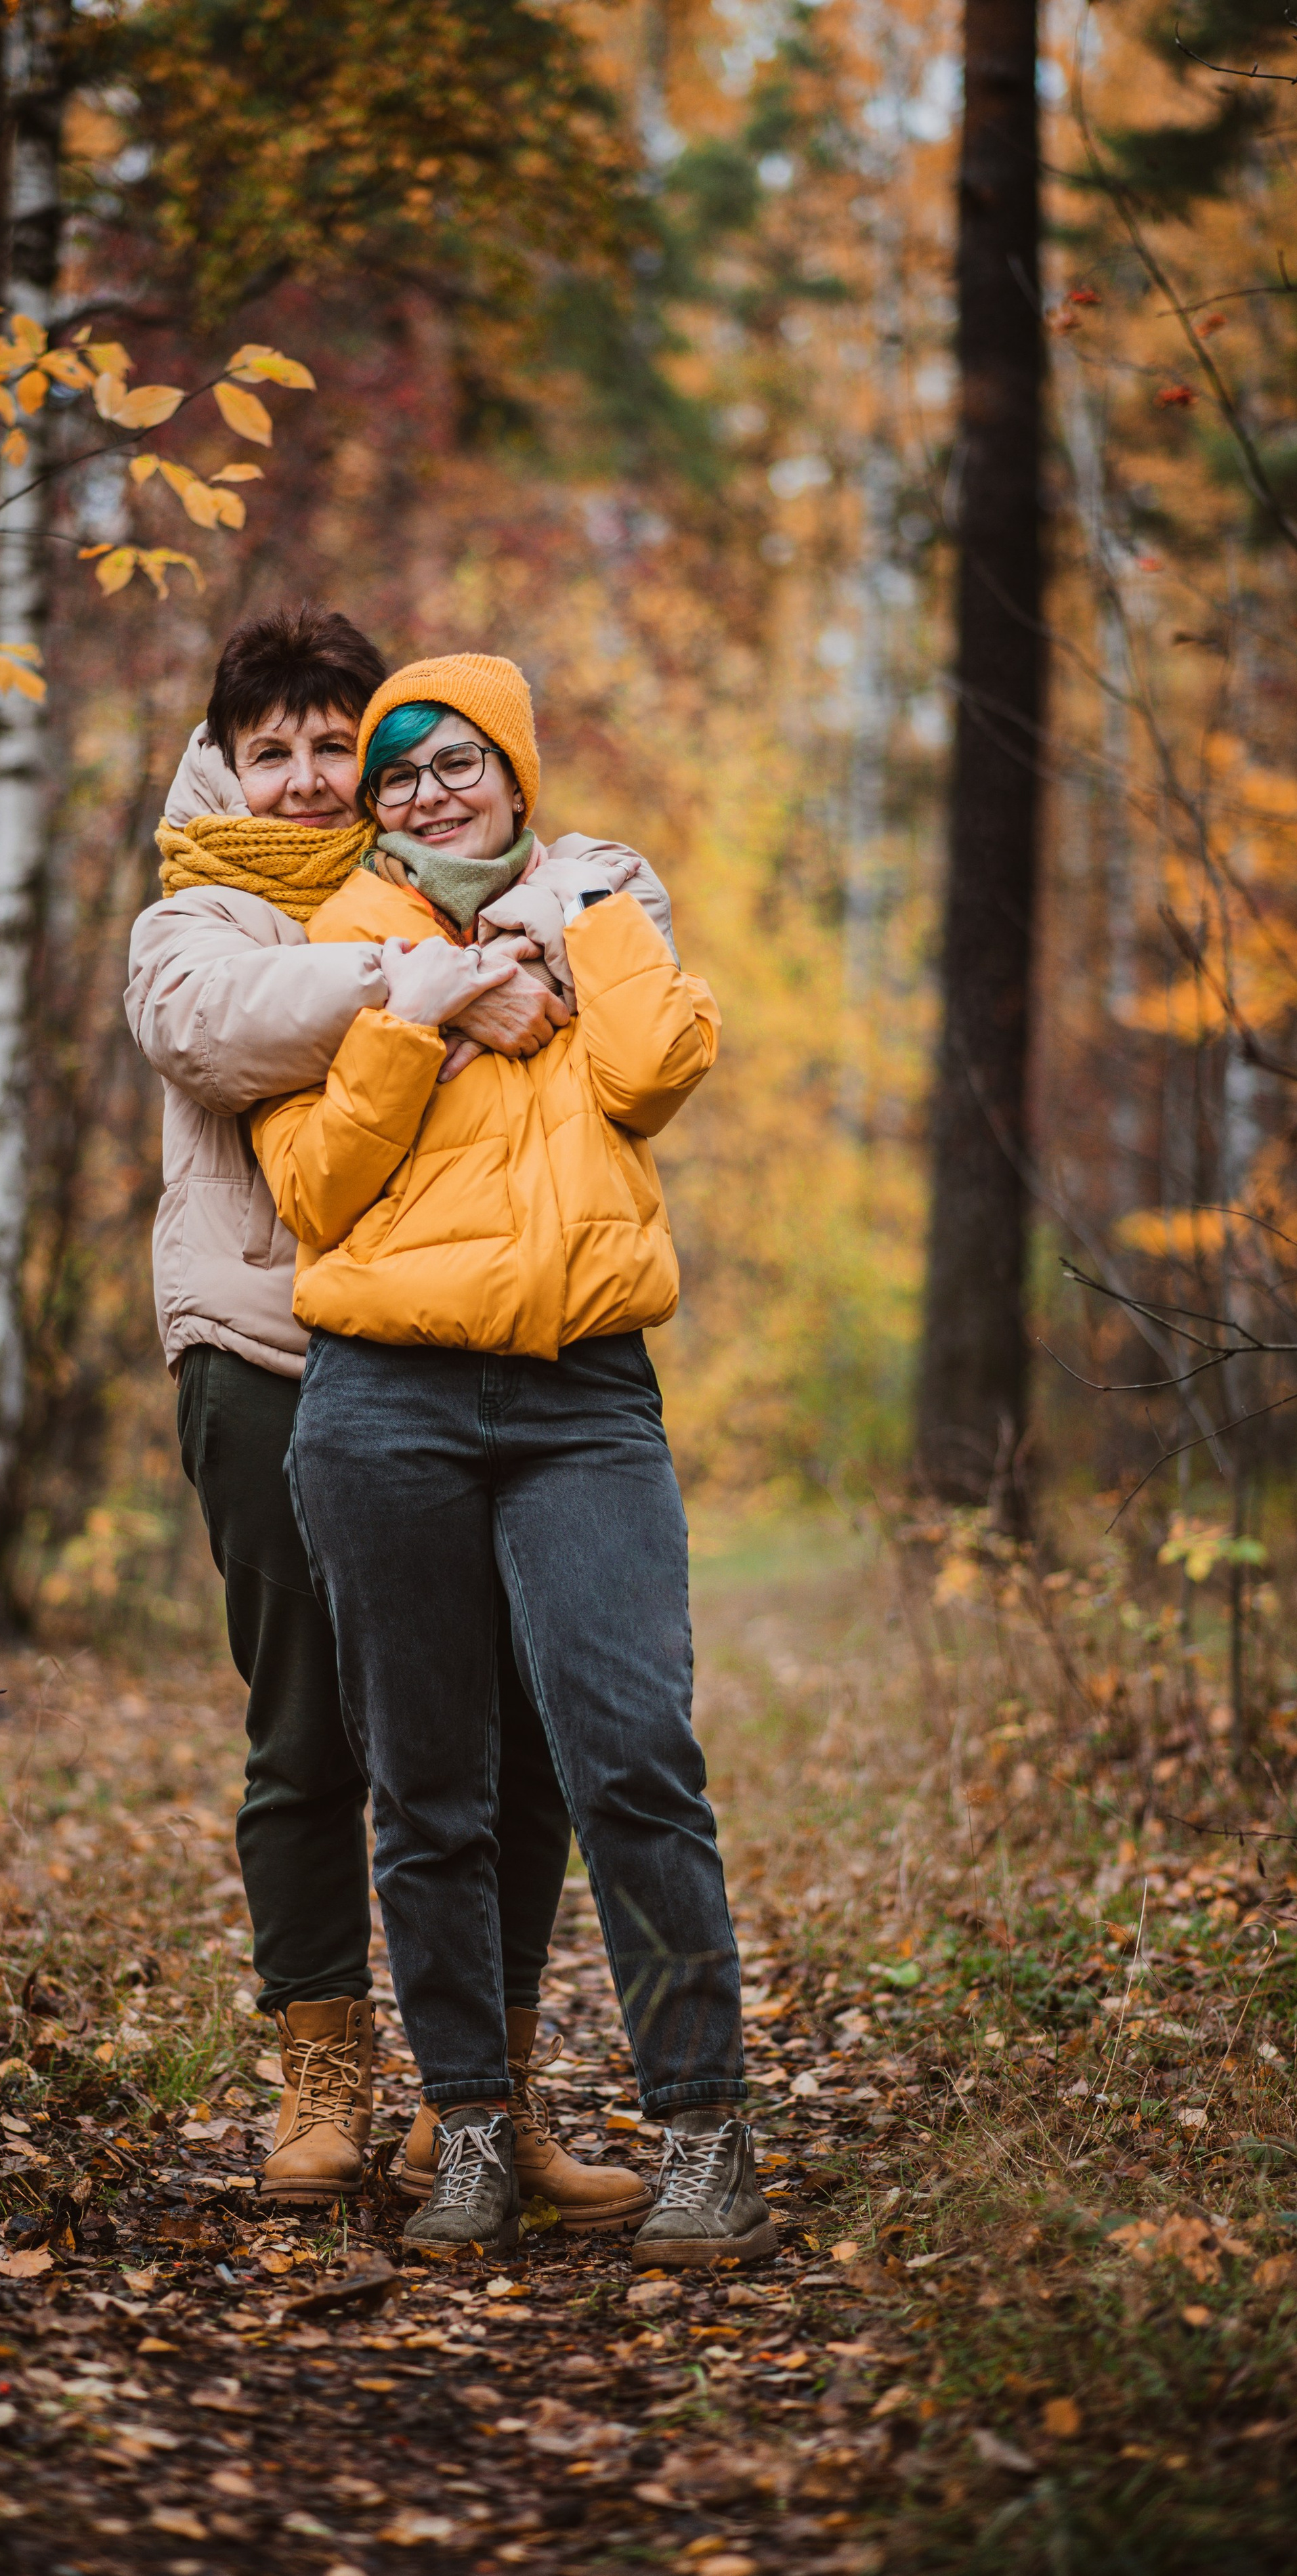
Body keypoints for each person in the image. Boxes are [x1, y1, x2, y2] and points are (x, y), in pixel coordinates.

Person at [125, 607, 653, 2230]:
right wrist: (429, 984)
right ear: (223, 762)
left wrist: (517, 932)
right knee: (307, 1731)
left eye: (326, 746)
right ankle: (321, 2075)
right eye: (266, 747)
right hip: (267, 1358)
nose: (300, 777)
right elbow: (211, 1026)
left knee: (511, 1733)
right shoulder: (198, 913)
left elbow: (608, 928)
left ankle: (475, 2096)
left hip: (459, 1362)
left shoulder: (458, 880)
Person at [255, 653, 777, 2267]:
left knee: (631, 1753)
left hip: (580, 1398)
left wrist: (584, 914)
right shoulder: (338, 946)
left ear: (515, 772)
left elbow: (654, 1071)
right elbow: (311, 1191)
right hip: (382, 1402)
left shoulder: (602, 906)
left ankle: (705, 2133)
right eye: (398, 772)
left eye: (457, 761)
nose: (426, 793)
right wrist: (415, 1018)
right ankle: (469, 2125)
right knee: (427, 1788)